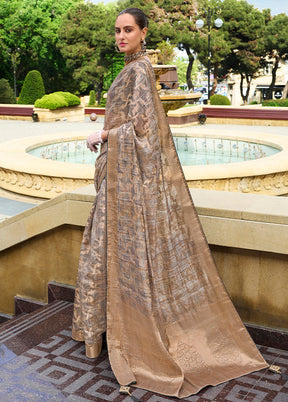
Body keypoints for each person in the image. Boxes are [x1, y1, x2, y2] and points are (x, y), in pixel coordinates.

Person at [72, 7, 268, 399]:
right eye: (117, 30)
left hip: (124, 178)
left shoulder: (140, 70)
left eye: (128, 30)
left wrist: (106, 134)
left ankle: (130, 340)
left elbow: (142, 127)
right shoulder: (135, 68)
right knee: (105, 250)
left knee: (111, 252)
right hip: (120, 181)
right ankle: (109, 334)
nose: (120, 36)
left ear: (144, 33)